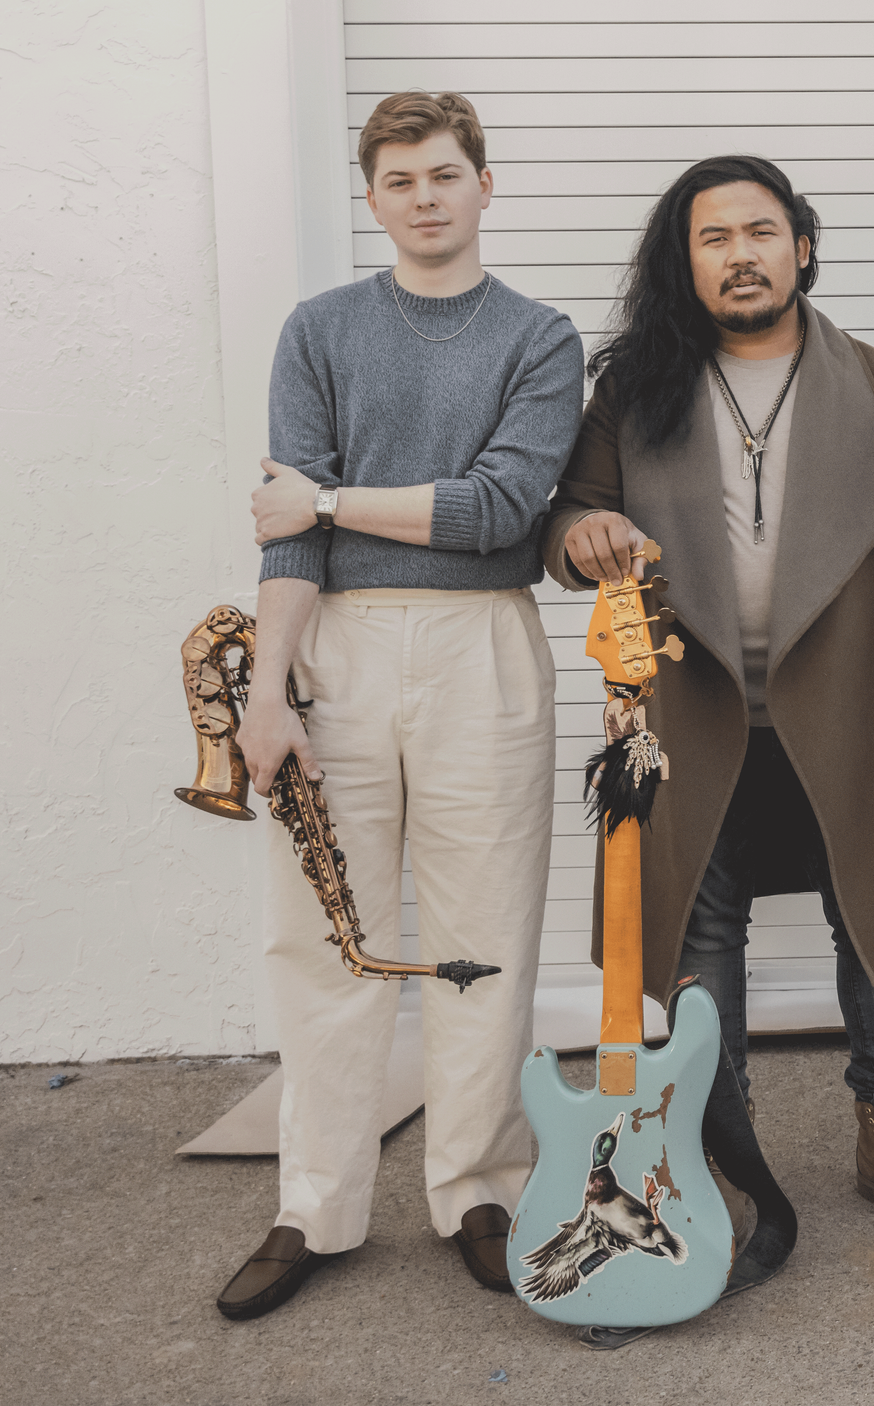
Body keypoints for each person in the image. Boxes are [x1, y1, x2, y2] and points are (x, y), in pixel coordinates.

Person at [539, 156, 874, 1290]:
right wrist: (582, 532)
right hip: (688, 722)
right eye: (713, 237)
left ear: (800, 246)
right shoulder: (633, 392)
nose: (740, 253)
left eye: (761, 230)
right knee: (697, 941)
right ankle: (713, 1154)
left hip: (857, 708)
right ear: (683, 263)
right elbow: (571, 514)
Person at [219, 91, 583, 1319]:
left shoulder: (538, 336)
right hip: (341, 648)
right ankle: (313, 1203)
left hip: (485, 642)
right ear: (371, 199)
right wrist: (266, 694)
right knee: (323, 929)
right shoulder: (319, 330)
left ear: (485, 183)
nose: (424, 198)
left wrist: (323, 499)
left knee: (489, 926)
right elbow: (284, 545)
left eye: (443, 174)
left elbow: (500, 511)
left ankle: (478, 1185)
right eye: (398, 181)